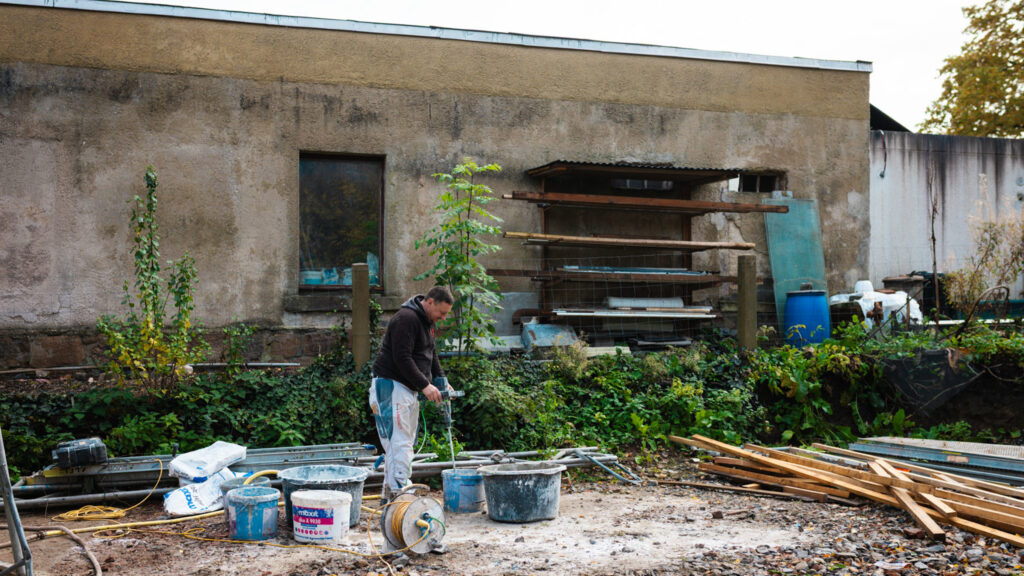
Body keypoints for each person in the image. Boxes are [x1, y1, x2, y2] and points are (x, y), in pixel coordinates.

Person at [369, 286, 453, 500]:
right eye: (441, 313)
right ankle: (401, 494)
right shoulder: (406, 318)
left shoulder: (427, 323)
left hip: (407, 389)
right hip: (390, 386)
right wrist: (426, 385)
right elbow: (402, 357)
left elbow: (431, 355)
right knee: (399, 443)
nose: (442, 318)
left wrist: (442, 382)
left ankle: (389, 499)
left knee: (403, 442)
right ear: (430, 302)